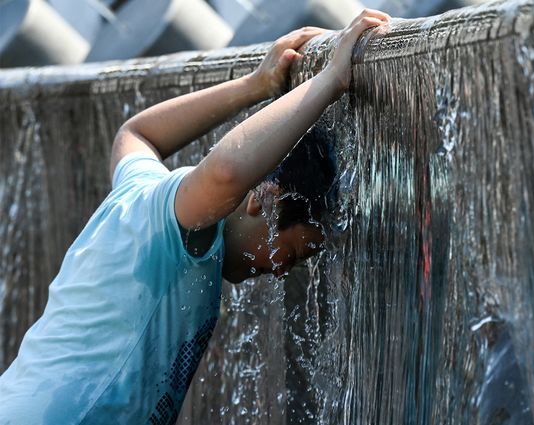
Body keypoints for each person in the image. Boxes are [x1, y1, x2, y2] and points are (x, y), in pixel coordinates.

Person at [0, 8, 390, 425]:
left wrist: (254, 86)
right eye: (289, 254)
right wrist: (330, 79)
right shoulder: (186, 231)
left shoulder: (143, 192)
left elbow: (136, 135)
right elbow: (225, 172)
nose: (280, 271)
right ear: (265, 199)